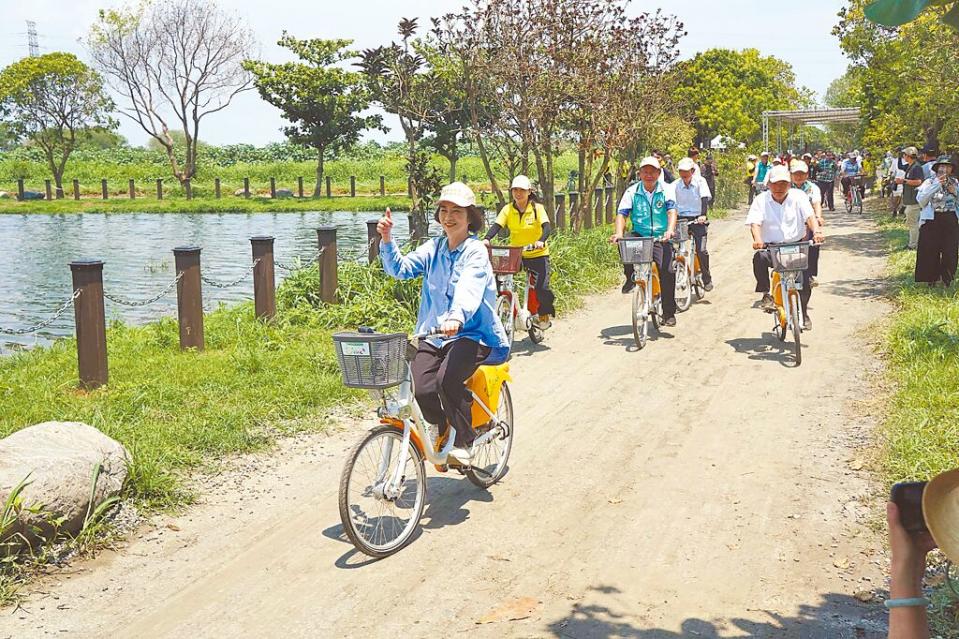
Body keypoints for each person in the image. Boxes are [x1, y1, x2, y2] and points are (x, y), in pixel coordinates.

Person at [378, 182, 510, 465]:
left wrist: (456, 317)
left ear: (470, 217)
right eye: (444, 210)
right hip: (434, 334)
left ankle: (465, 440)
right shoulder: (433, 248)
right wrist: (387, 240)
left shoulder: (475, 251)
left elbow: (469, 287)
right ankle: (444, 426)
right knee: (421, 387)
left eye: (457, 212)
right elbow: (400, 269)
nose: (449, 217)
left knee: (446, 379)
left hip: (473, 334)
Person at [746, 165, 824, 330]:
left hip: (796, 247)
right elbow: (755, 223)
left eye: (783, 184)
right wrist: (758, 239)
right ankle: (766, 293)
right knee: (759, 257)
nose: (779, 187)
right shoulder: (760, 200)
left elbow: (810, 216)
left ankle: (803, 312)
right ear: (768, 185)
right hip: (772, 248)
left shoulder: (799, 196)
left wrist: (816, 231)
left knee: (805, 282)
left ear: (789, 184)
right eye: (775, 184)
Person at [612, 156, 679, 327]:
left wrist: (670, 231)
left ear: (658, 173)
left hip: (660, 236)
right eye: (645, 172)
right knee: (624, 242)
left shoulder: (666, 189)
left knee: (667, 271)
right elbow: (622, 214)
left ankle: (669, 312)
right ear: (640, 174)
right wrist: (618, 233)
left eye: (652, 172)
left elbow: (672, 212)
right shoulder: (632, 191)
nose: (649, 175)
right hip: (640, 234)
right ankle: (630, 277)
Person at [484, 175, 556, 328]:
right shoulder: (507, 209)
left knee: (542, 287)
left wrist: (541, 240)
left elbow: (547, 227)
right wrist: (487, 239)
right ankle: (507, 308)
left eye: (522, 190)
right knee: (500, 280)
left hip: (537, 254)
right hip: (516, 254)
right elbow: (496, 226)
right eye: (515, 190)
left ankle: (543, 315)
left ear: (529, 191)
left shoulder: (537, 209)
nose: (518, 193)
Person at [914, 155, 959, 287]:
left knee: (950, 251)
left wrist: (955, 191)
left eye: (948, 166)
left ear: (951, 169)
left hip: (950, 219)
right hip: (932, 220)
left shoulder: (955, 183)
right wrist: (936, 184)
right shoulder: (929, 182)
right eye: (942, 166)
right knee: (930, 251)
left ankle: (947, 280)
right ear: (937, 168)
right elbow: (921, 200)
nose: (945, 169)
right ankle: (931, 280)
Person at [672, 157, 714, 291]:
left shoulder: (700, 182)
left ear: (692, 170)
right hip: (680, 219)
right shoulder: (674, 185)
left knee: (701, 250)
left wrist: (702, 215)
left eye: (686, 171)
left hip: (697, 218)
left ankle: (706, 278)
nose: (684, 174)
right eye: (681, 171)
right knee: (674, 249)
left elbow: (704, 198)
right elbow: (669, 202)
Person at [790, 161, 825, 296]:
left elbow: (816, 203)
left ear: (807, 174)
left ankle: (810, 274)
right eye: (796, 174)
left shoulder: (812, 188)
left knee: (814, 244)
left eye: (802, 174)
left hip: (808, 221)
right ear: (791, 175)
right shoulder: (785, 187)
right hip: (790, 222)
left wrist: (818, 217)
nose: (799, 177)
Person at [899, 147, 926, 250]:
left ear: (909, 156)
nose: (903, 157)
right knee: (911, 223)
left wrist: (904, 181)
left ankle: (913, 245)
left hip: (914, 200)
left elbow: (919, 182)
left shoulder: (916, 167)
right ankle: (913, 243)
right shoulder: (911, 167)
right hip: (910, 200)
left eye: (904, 155)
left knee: (913, 223)